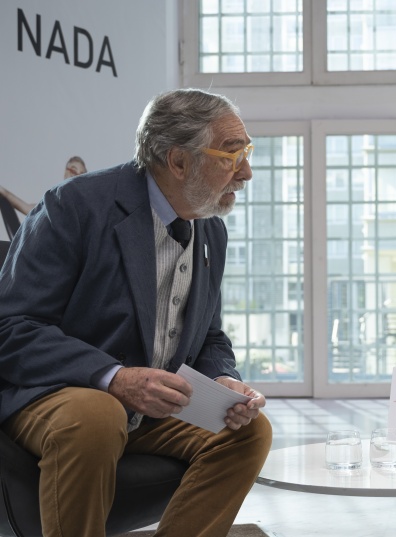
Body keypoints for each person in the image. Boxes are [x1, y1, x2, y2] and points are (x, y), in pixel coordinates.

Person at [0, 89, 272, 536]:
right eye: (231, 154)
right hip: (57, 395)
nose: (246, 172)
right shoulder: (74, 206)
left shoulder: (211, 230)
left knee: (250, 432)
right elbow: (11, 327)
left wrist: (222, 379)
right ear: (178, 161)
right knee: (98, 414)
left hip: (151, 412)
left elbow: (209, 336)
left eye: (247, 153)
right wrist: (115, 378)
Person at [0, 156, 87, 216]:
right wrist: (3, 191)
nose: (76, 176)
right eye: (73, 171)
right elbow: (28, 209)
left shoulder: (85, 208)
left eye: (81, 175)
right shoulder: (53, 205)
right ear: (65, 173)